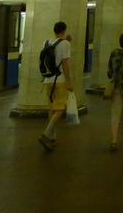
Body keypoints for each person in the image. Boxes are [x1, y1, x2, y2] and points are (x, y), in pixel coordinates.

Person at [39, 21, 73, 152]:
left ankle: (52, 138)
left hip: (48, 79)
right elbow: (64, 64)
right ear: (64, 31)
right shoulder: (65, 44)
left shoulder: (46, 43)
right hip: (59, 80)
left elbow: (55, 55)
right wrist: (69, 82)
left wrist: (67, 41)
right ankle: (46, 134)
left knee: (52, 108)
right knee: (60, 109)